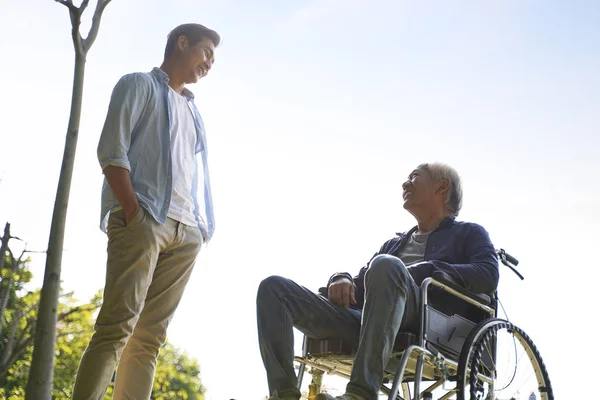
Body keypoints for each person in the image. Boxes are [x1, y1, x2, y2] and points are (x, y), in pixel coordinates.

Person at [256, 162, 499, 400]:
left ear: (441, 187)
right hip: (369, 320)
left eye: (414, 177)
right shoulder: (394, 245)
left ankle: (361, 394)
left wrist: (425, 270)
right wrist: (340, 278)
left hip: (426, 320)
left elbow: (488, 274)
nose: (405, 183)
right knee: (274, 289)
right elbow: (363, 283)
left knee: (386, 265)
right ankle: (284, 394)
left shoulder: (470, 233)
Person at [72, 23, 220, 399]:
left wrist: (200, 229)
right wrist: (133, 211)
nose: (209, 63)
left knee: (150, 338)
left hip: (186, 232)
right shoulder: (138, 84)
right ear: (182, 43)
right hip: (144, 220)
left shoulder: (194, 112)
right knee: (116, 328)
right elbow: (111, 151)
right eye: (206, 52)